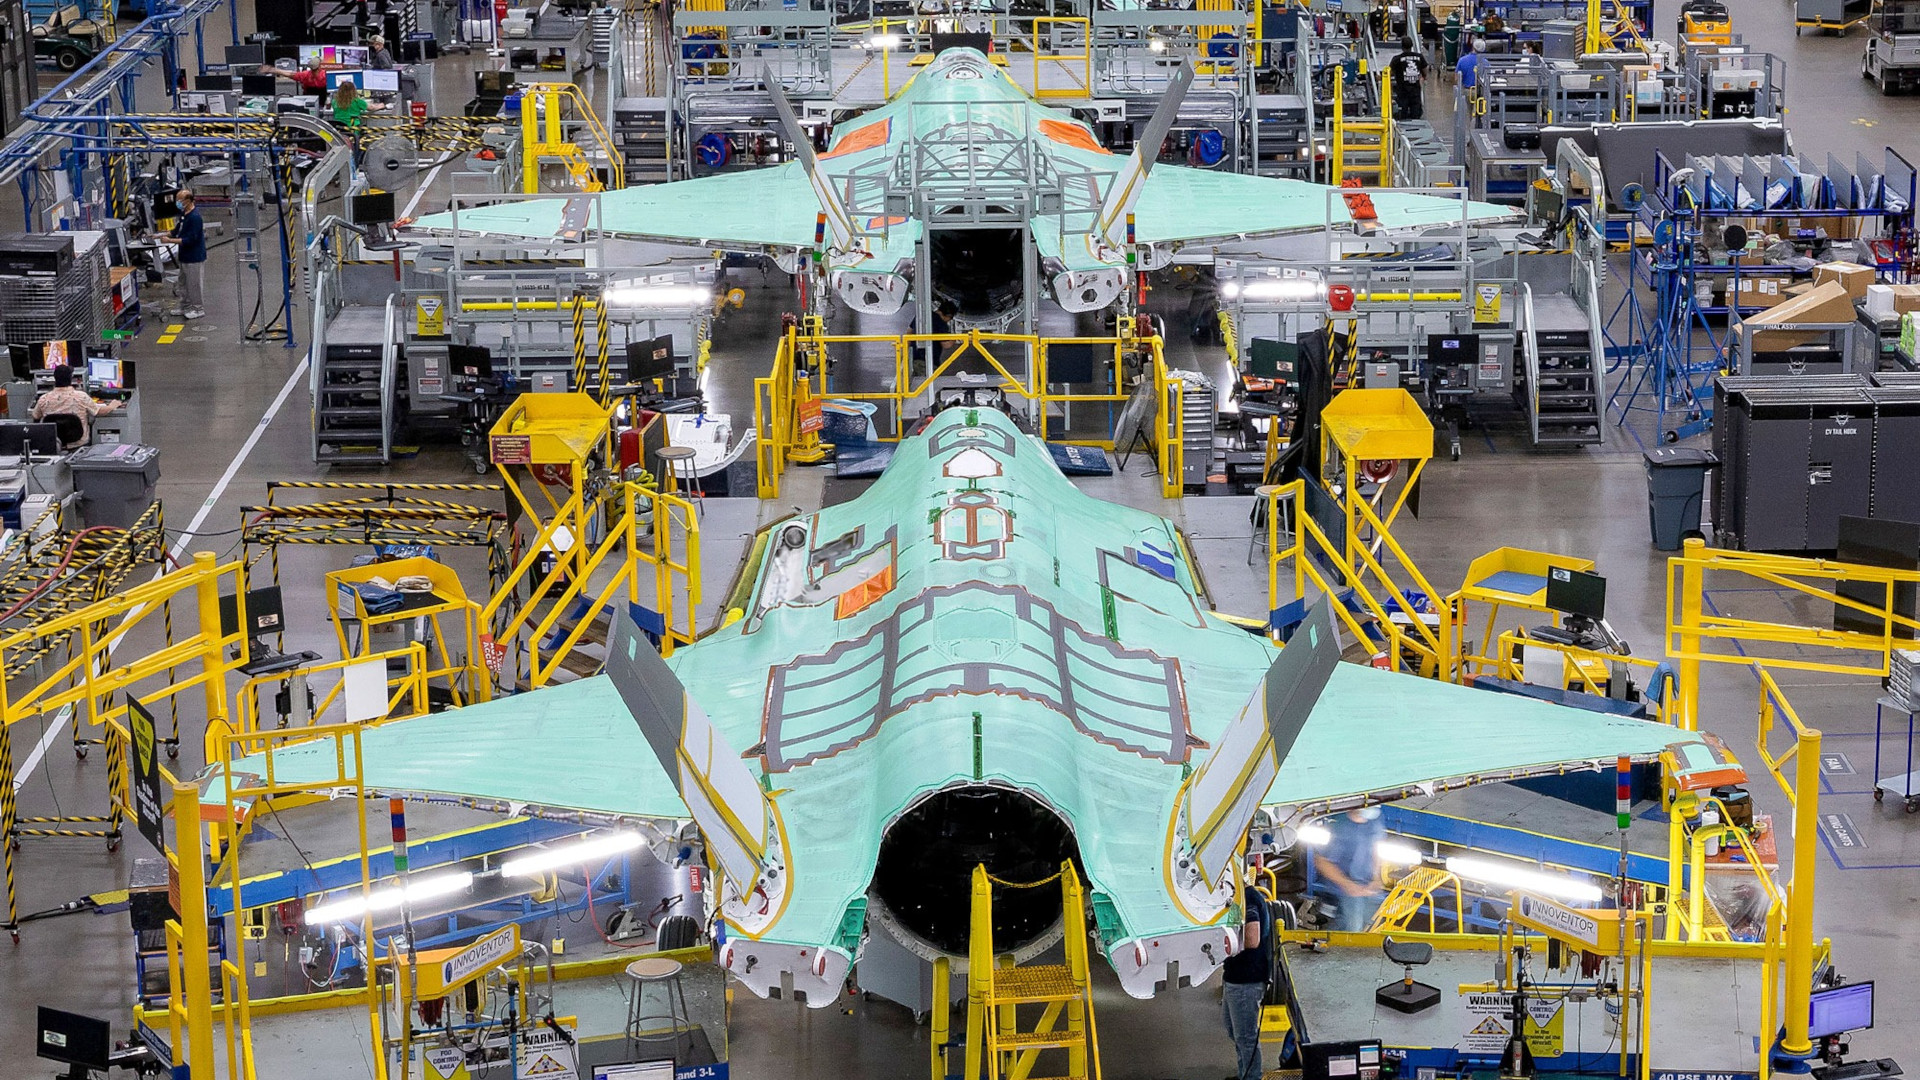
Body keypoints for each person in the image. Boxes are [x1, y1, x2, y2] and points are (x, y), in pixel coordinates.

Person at [1220, 884, 1274, 1080]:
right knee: (1234, 1030)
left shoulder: (1248, 898)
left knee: (1245, 1036)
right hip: (1234, 976)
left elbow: (1252, 939)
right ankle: (1245, 1073)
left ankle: (1251, 1076)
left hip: (1246, 979)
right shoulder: (1238, 897)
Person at [1311, 807, 1386, 932]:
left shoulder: (1374, 820)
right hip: (1343, 891)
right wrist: (1348, 886)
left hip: (1366, 888)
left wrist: (1376, 877)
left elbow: (1376, 847)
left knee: (1374, 927)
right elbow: (1321, 861)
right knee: (1352, 930)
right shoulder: (1340, 828)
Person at [31, 365, 121, 448]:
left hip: (55, 444)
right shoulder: (81, 397)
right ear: (71, 378)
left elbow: (35, 416)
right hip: (79, 445)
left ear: (55, 378)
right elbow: (98, 411)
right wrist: (111, 406)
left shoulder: (44, 399)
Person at [158, 189, 207, 319]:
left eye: (180, 200)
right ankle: (185, 306)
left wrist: (169, 241)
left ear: (188, 201)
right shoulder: (184, 214)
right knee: (183, 283)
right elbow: (176, 231)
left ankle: (198, 309)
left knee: (194, 285)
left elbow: (190, 240)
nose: (178, 203)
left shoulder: (195, 218)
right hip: (184, 256)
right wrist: (160, 235)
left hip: (194, 257)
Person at [1390, 36, 1429, 120]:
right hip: (1415, 91)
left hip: (1402, 91)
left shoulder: (1397, 59)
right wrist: (1424, 77)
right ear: (1412, 46)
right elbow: (1425, 70)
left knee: (1402, 115)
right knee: (1416, 114)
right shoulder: (1419, 57)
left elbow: (1390, 72)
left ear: (1402, 47)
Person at [265, 58, 330, 96]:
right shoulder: (327, 75)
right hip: (323, 102)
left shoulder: (305, 75)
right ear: (319, 67)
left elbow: (289, 74)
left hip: (309, 100)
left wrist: (273, 70)